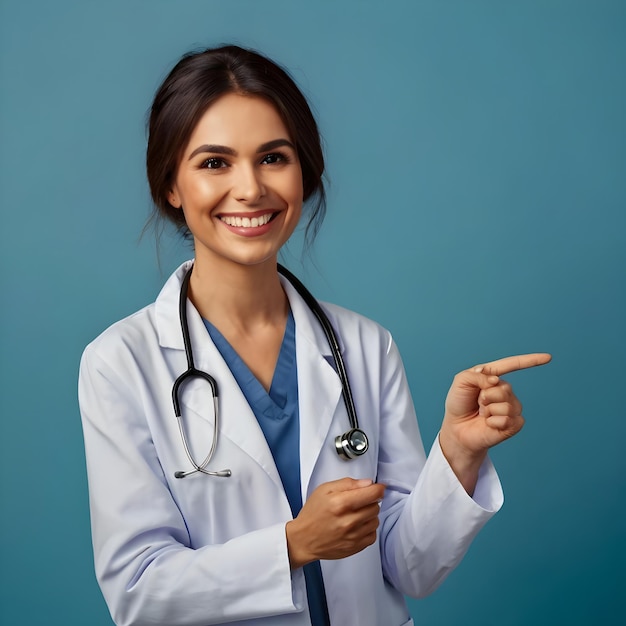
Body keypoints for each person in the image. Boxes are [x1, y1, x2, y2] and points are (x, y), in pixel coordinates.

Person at [78, 45, 551, 626]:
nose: (250, 189)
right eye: (214, 163)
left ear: (305, 171)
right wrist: (294, 543)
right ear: (171, 185)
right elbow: (138, 591)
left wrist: (459, 451)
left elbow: (411, 568)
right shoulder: (119, 364)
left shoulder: (364, 347)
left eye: (273, 157)